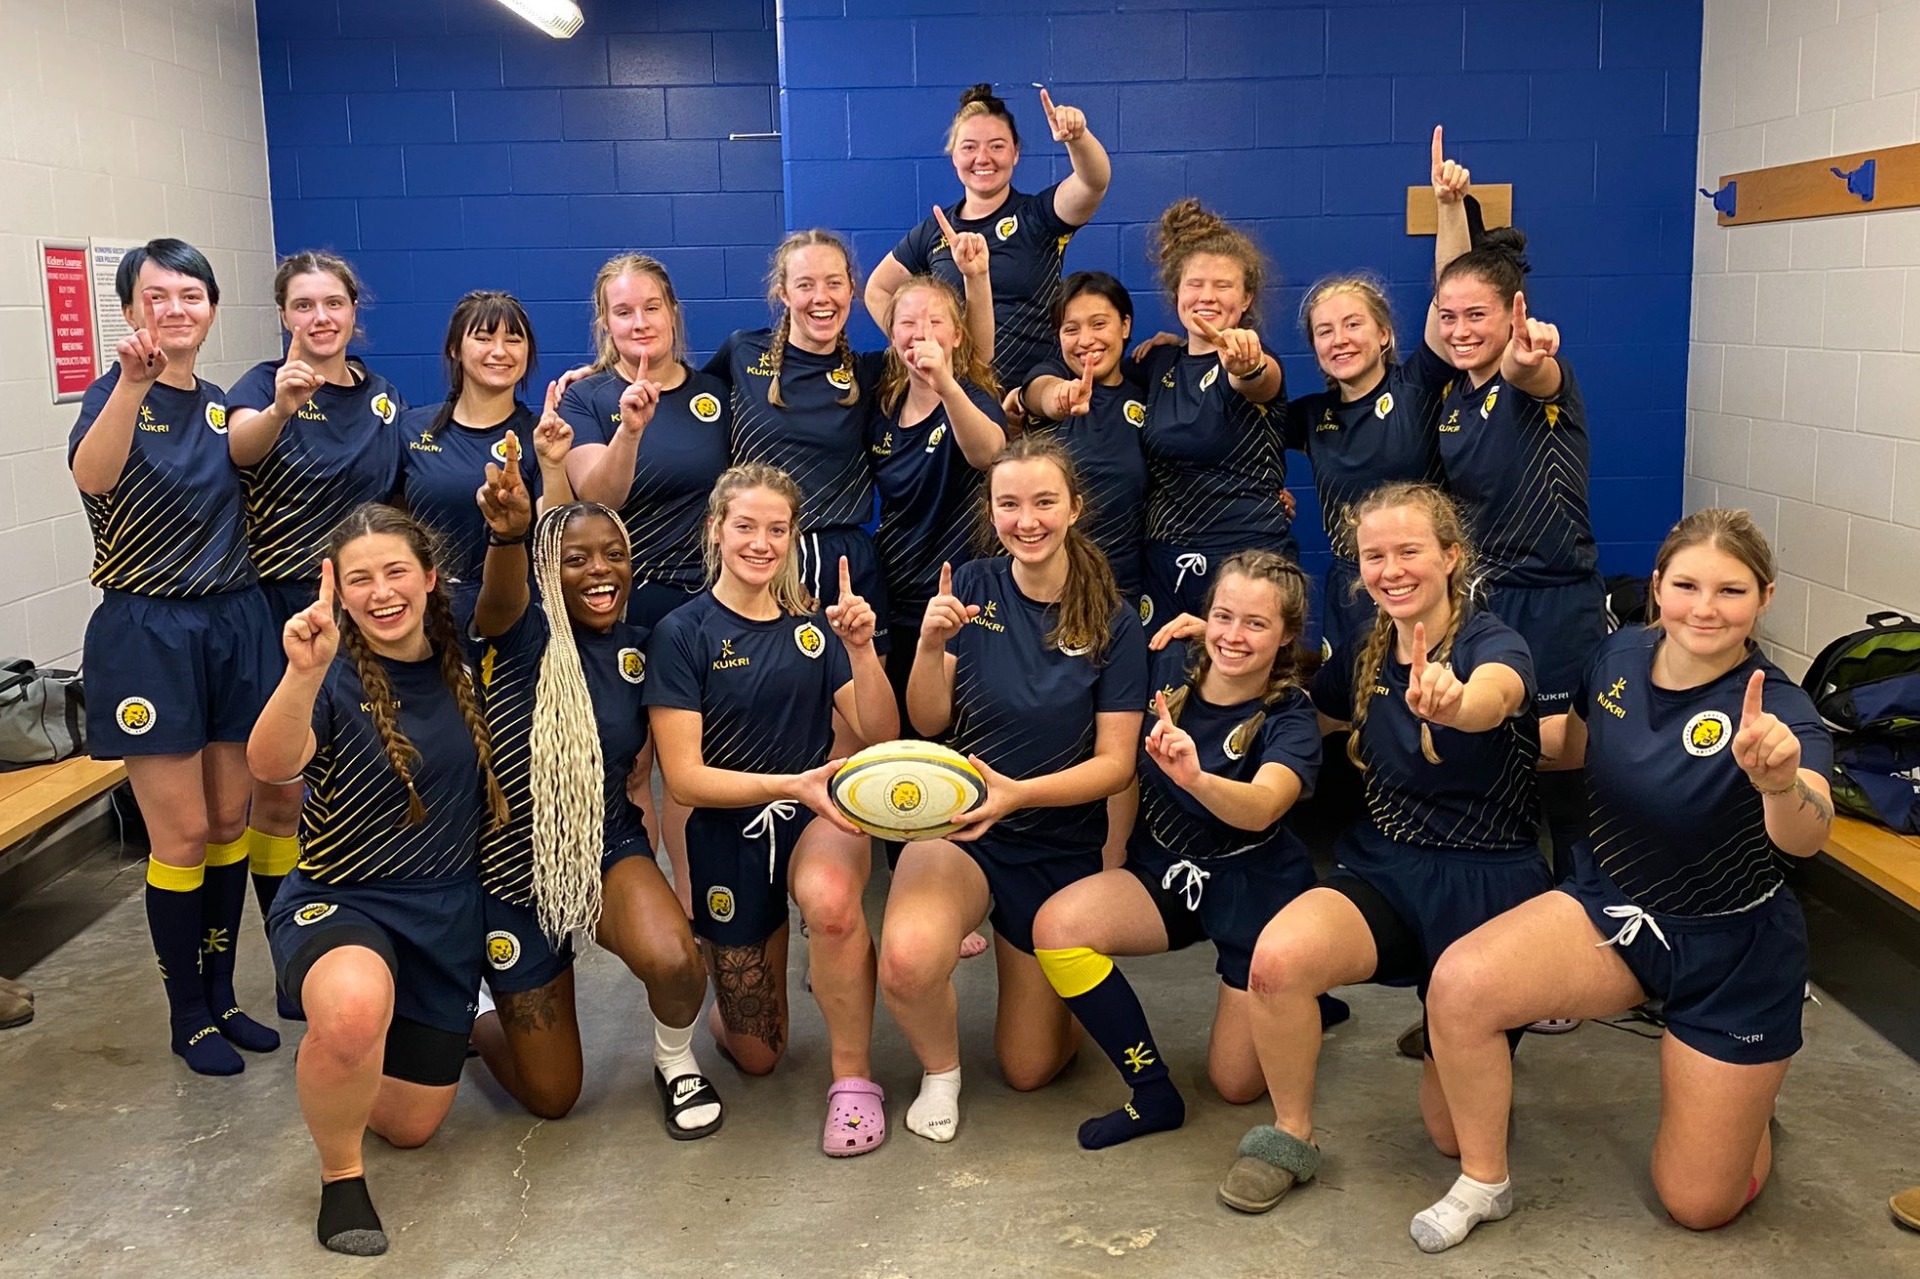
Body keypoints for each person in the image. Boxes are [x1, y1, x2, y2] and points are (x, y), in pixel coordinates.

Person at [1414, 509, 1833, 1253]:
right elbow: (1569, 746)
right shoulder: (1615, 657)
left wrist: (1777, 783)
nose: (1705, 607)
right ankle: (1486, 1182)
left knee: (1699, 1203)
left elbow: (1808, 828)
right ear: (1657, 589)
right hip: (1617, 910)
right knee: (1459, 984)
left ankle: (1748, 1103)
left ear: (1764, 599)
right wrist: (1466, 714)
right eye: (1687, 585)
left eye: (1730, 591)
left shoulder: (1781, 712)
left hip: (1733, 950)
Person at [1218, 482, 1547, 1214]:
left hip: (1490, 884)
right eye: (1375, 555)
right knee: (1276, 962)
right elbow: (1302, 695)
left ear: (1451, 556)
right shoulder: (1365, 654)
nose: (1391, 568)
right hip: (1388, 867)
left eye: (1409, 550)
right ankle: (1289, 1132)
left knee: (1450, 1138)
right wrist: (1224, 645)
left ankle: (1461, 1024)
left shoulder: (1493, 641)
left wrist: (1456, 702)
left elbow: (1496, 693)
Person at [249, 504, 510, 1255]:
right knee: (356, 1010)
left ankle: (348, 1049)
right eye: (359, 578)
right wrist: (302, 672)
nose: (381, 591)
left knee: (414, 1125)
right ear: (338, 590)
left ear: (430, 578)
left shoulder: (470, 661)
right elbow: (272, 766)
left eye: (396, 571)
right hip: (342, 895)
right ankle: (341, 1174)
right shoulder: (327, 673)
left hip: (444, 910)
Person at [879, 435, 1147, 1144]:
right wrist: (931, 647)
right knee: (906, 960)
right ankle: (942, 1071)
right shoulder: (968, 584)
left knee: (1029, 1067)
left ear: (1074, 509)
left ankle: (1049, 977)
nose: (1026, 520)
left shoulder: (1114, 621)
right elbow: (928, 719)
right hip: (964, 827)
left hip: (1054, 841)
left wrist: (1019, 795)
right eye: (1009, 504)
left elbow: (1117, 763)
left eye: (1043, 502)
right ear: (992, 511)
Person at [1030, 550, 1335, 1151]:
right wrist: (1114, 861)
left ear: (1287, 636)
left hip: (1256, 889)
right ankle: (1151, 1092)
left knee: (1235, 1084)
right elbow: (1126, 774)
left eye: (1256, 624)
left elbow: (1266, 804)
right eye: (1224, 616)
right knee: (1058, 926)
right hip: (1165, 867)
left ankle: (1303, 993)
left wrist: (1197, 778)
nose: (1234, 636)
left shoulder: (1290, 714)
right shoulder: (1169, 661)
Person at [68, 238, 282, 1075]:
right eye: (158, 295)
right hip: (148, 631)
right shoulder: (112, 393)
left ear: (213, 308)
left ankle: (224, 992)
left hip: (232, 623)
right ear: (130, 311)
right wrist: (127, 383)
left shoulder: (223, 403)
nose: (176, 308)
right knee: (183, 830)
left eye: (192, 294)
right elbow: (92, 477)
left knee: (231, 818)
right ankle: (186, 1013)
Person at [645, 465, 899, 1155]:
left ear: (793, 538)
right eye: (746, 526)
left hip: (816, 816)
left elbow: (879, 732)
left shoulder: (814, 630)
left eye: (777, 529)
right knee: (760, 1054)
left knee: (833, 903)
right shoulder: (681, 631)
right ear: (715, 530)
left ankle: (853, 1082)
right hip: (732, 827)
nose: (761, 542)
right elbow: (688, 782)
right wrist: (790, 784)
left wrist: (861, 649)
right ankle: (743, 980)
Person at [464, 483, 719, 1136]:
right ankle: (477, 1010)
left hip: (603, 842)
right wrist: (508, 536)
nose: (600, 569)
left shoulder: (645, 645)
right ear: (546, 570)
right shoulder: (518, 632)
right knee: (552, 1095)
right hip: (510, 867)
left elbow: (653, 765)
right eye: (575, 559)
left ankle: (674, 1062)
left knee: (676, 958)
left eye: (613, 553)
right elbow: (497, 599)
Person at [227, 251, 407, 975]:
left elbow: (395, 497)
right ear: (283, 315)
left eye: (333, 303)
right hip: (286, 606)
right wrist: (281, 407)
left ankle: (369, 927)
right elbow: (240, 449)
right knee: (282, 789)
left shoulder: (381, 392)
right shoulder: (261, 387)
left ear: (354, 311)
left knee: (370, 771)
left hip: (370, 609)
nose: (320, 318)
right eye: (303, 306)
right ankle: (292, 951)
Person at [1429, 163, 1603, 881]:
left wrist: (1532, 363)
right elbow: (1456, 281)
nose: (1463, 329)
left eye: (1480, 315)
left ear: (1515, 312)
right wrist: (1448, 207)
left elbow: (1537, 373)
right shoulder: (1451, 397)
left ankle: (1589, 896)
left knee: (1560, 752)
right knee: (1489, 742)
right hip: (1484, 599)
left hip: (1555, 599)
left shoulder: (1537, 379)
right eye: (1450, 317)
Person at [563, 253, 733, 912]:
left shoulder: (714, 391)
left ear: (673, 312)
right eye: (623, 310)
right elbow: (595, 495)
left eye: (651, 306)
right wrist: (630, 429)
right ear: (606, 321)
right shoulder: (590, 397)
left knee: (698, 768)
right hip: (625, 608)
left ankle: (699, 912)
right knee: (635, 768)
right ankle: (651, 907)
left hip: (706, 608)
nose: (640, 321)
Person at [704, 231, 890, 655]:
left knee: (864, 704)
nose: (820, 297)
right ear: (782, 293)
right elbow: (676, 392)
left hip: (846, 559)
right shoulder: (742, 353)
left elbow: (959, 353)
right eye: (805, 284)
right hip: (763, 554)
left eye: (833, 282)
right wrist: (600, 378)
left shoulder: (869, 373)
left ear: (851, 289)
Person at [866, 83, 1111, 388]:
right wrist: (909, 348)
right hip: (959, 403)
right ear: (953, 156)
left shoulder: (1038, 216)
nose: (983, 158)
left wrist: (1078, 138)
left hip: (1033, 399)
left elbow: (1093, 182)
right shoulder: (936, 229)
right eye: (969, 147)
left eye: (996, 146)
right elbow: (877, 289)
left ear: (1015, 153)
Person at [1131, 200, 1289, 626]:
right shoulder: (1156, 363)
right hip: (1166, 560)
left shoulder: (1256, 356)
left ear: (1246, 298)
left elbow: (1259, 379)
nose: (1207, 296)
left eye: (1223, 285)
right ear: (1176, 293)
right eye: (1195, 284)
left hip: (1249, 559)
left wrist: (1244, 365)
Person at [868, 274, 1006, 701]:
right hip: (894, 596)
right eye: (907, 322)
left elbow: (989, 454)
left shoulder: (972, 397)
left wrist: (944, 383)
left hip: (960, 600)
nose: (921, 332)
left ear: (958, 335)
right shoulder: (882, 403)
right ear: (892, 336)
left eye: (935, 321)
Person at [397, 291, 572, 628]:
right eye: (483, 338)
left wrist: (552, 465)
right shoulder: (410, 429)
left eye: (513, 339)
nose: (500, 351)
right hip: (428, 613)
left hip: (516, 614)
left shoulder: (539, 436)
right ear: (454, 349)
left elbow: (557, 540)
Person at [1017, 271, 1150, 614]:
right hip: (1052, 588)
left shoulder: (1149, 394)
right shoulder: (1050, 380)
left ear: (1125, 325)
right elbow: (1037, 393)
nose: (1086, 339)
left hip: (1126, 588)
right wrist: (1058, 397)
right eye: (1071, 329)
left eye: (1099, 324)